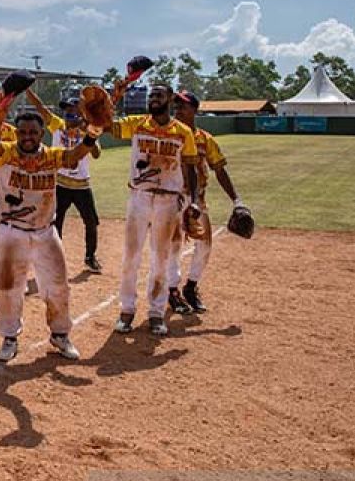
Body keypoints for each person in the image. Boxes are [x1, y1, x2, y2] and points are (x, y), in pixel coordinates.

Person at [0, 96, 99, 362]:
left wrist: (92, 132)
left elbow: (74, 156)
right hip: (13, 231)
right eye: (22, 132)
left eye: (33, 132)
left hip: (45, 232)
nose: (27, 137)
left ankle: (60, 335)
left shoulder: (52, 156)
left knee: (58, 285)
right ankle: (9, 337)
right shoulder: (7, 154)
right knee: (9, 288)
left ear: (42, 133)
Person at [108, 84, 200, 337]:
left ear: (169, 99)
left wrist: (193, 200)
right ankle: (126, 310)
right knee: (131, 256)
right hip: (140, 196)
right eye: (151, 96)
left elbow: (190, 167)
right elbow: (109, 126)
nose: (153, 99)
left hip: (169, 200)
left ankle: (157, 313)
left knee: (161, 257)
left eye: (158, 95)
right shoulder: (137, 123)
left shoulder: (183, 132)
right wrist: (113, 97)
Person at [166, 91, 243, 315]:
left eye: (184, 106)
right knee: (173, 245)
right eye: (177, 106)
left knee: (205, 244)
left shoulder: (205, 139)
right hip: (171, 198)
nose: (178, 110)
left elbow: (219, 169)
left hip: (197, 199)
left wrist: (237, 200)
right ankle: (172, 290)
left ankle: (191, 286)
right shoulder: (169, 135)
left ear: (195, 110)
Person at [38, 92, 104, 274]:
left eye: (71, 109)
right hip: (60, 184)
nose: (68, 113)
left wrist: (88, 132)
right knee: (55, 222)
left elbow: (97, 154)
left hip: (82, 185)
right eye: (66, 109)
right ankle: (54, 258)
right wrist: (27, 90)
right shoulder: (57, 126)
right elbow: (41, 110)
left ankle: (90, 257)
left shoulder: (86, 130)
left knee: (91, 222)